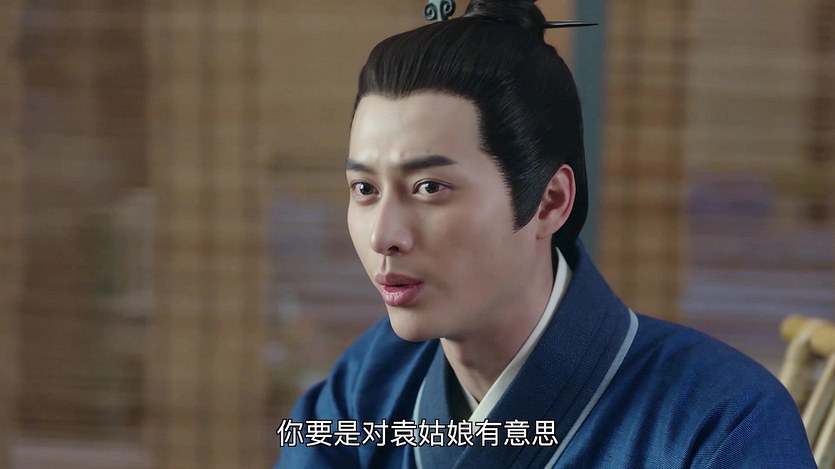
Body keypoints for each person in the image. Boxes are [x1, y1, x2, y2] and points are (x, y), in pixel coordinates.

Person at [274, 0, 816, 467]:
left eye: (430, 187)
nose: (383, 236)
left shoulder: (720, 422)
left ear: (549, 201)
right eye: (364, 189)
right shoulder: (370, 380)